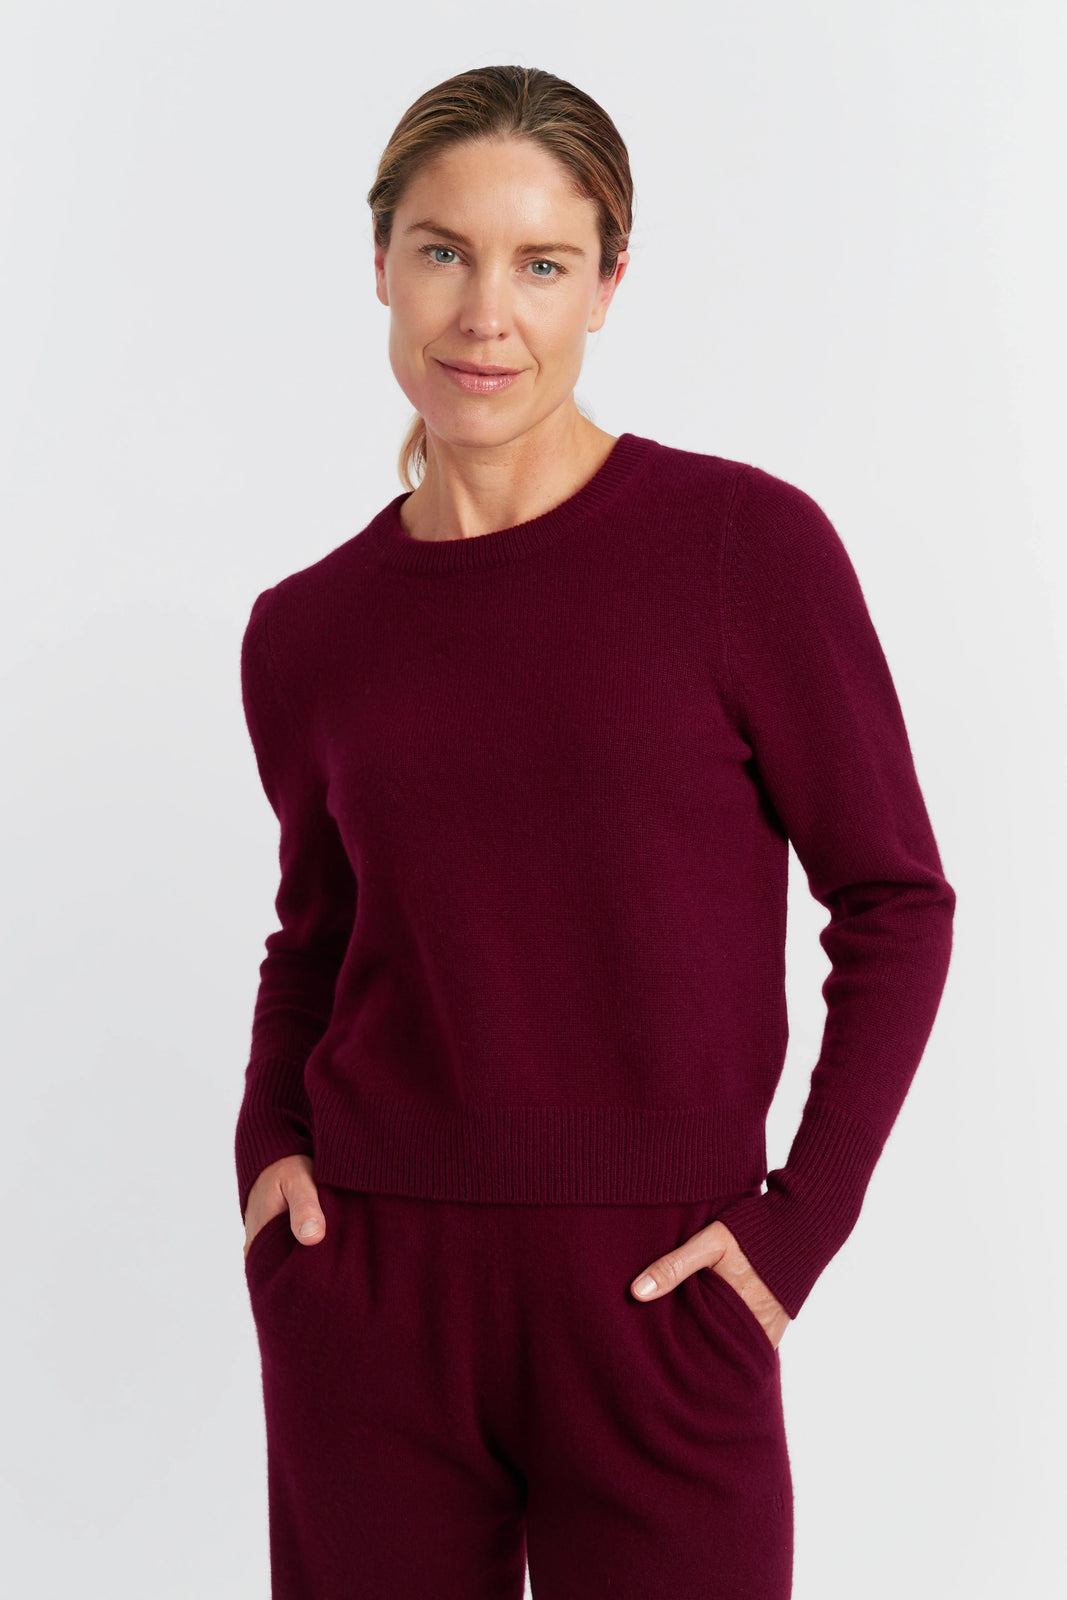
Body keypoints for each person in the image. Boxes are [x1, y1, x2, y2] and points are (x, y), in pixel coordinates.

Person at [235, 64, 956, 1600]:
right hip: (372, 1291)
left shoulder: (742, 550)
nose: (485, 313)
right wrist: (268, 1157)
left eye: (543, 264)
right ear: (380, 263)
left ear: (609, 286)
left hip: (663, 1291)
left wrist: (795, 1232)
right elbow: (318, 935)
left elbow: (895, 899)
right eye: (444, 251)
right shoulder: (308, 631)